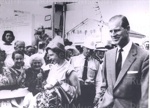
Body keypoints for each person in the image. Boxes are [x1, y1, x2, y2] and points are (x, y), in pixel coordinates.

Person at [96, 15, 149, 108]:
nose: (113, 34)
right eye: (110, 31)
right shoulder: (108, 55)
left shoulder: (143, 56)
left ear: (127, 29)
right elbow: (104, 85)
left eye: (116, 30)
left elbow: (145, 97)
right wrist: (99, 103)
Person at [31, 41, 80, 108]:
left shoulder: (69, 70)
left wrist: (60, 85)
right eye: (48, 55)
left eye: (51, 55)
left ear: (60, 54)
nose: (49, 58)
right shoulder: (53, 67)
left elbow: (77, 93)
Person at [70, 37, 104, 107]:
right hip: (76, 88)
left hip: (89, 91)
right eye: (87, 48)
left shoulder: (96, 63)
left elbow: (99, 80)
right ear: (83, 47)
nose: (88, 51)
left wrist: (97, 95)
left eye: (91, 49)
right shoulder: (74, 60)